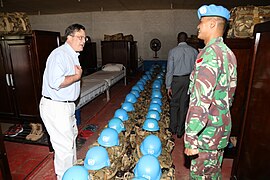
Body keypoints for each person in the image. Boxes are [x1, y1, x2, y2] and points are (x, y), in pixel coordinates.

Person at [184, 4, 237, 179]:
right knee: (213, 173)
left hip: (205, 134)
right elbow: (229, 96)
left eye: (201, 22)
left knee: (201, 176)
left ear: (213, 24)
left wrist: (191, 137)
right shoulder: (228, 54)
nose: (198, 26)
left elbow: (200, 101)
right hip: (220, 129)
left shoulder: (209, 55)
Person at [39, 23, 87, 179]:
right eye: (80, 37)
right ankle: (64, 176)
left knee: (70, 139)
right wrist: (77, 77)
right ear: (69, 37)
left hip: (66, 106)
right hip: (56, 107)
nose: (83, 41)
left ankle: (71, 173)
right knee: (64, 147)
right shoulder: (60, 55)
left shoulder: (72, 55)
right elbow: (56, 82)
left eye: (84, 38)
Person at [165, 32, 198, 138]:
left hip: (176, 80)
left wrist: (168, 86)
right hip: (188, 79)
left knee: (174, 104)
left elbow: (169, 70)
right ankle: (180, 131)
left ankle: (172, 128)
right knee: (184, 105)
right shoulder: (194, 51)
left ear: (177, 39)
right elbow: (196, 68)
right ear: (186, 39)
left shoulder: (173, 51)